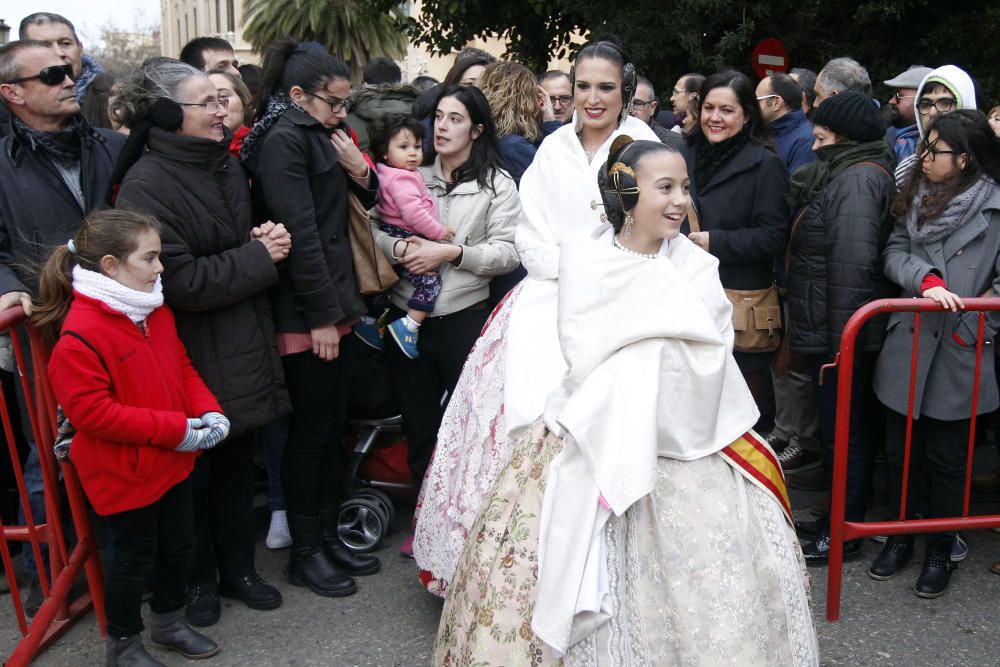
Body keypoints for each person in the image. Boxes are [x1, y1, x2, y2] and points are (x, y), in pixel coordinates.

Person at [434, 137, 819, 665]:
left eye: (685, 187)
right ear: (627, 195)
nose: (680, 201)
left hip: (688, 445)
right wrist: (652, 354)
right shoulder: (588, 261)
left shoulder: (697, 269)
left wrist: (641, 359)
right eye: (665, 188)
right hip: (593, 433)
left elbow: (711, 360)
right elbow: (582, 348)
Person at [411, 35, 658, 593]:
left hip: (625, 304)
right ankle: (511, 580)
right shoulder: (551, 149)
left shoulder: (645, 148)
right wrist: (569, 268)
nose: (593, 99)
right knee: (518, 419)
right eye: (583, 87)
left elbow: (657, 233)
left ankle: (608, 582)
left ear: (626, 90)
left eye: (606, 88)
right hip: (546, 300)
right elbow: (530, 231)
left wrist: (601, 272)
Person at [111, 58, 290, 626]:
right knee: (195, 477)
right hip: (187, 352)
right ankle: (196, 584)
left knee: (237, 465)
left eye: (221, 100)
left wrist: (258, 240)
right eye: (207, 102)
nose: (221, 111)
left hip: (237, 340)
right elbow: (180, 282)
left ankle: (240, 571)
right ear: (167, 113)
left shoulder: (225, 165)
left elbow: (227, 248)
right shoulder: (146, 182)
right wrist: (259, 256)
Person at [37, 209, 224, 666]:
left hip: (171, 461)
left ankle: (169, 621)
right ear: (110, 265)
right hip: (123, 473)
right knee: (132, 560)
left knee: (180, 545)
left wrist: (208, 409)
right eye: (150, 258)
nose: (161, 268)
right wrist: (177, 430)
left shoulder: (152, 308)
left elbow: (180, 365)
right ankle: (123, 644)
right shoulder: (80, 333)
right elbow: (93, 414)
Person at [241, 38, 383, 598]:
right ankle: (306, 550)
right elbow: (298, 236)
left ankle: (324, 537)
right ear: (298, 95)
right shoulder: (281, 140)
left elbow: (363, 203)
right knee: (309, 435)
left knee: (329, 432)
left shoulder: (322, 133)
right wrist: (322, 317)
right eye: (333, 102)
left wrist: (362, 169)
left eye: (347, 102)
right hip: (308, 309)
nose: (342, 112)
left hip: (337, 301)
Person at [0, 38, 126, 616]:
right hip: (48, 330)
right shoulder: (2, 164)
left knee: (130, 441)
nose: (66, 79)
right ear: (13, 92)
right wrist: (6, 287)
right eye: (50, 73)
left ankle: (128, 569)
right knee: (48, 453)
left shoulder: (113, 146)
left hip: (124, 323)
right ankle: (51, 574)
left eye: (69, 69)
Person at [371, 84, 521, 518]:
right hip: (405, 313)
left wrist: (453, 252)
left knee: (468, 425)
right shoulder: (411, 172)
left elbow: (509, 253)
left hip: (463, 318)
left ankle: (466, 520)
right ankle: (424, 518)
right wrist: (398, 250)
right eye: (438, 116)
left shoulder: (497, 184)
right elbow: (375, 226)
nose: (441, 127)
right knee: (418, 423)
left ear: (476, 129)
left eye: (454, 119)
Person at [869, 110, 1000, 598]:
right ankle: (901, 540)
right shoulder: (916, 196)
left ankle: (942, 549)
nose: (922, 157)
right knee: (902, 454)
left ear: (964, 158)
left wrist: (977, 319)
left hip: (963, 346)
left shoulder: (995, 208)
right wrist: (923, 279)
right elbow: (893, 252)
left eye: (934, 150)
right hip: (911, 338)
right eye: (923, 146)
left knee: (949, 460)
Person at [783, 91, 897, 563]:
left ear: (845, 137)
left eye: (822, 137)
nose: (813, 147)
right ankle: (836, 517)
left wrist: (840, 350)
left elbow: (851, 271)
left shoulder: (856, 181)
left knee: (846, 432)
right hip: (833, 332)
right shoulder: (847, 172)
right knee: (839, 432)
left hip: (842, 337)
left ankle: (843, 532)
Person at [681, 70, 791, 431]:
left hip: (740, 303)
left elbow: (773, 236)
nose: (715, 118)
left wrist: (714, 242)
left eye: (727, 110)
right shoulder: (684, 153)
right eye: (709, 107)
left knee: (743, 413)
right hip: (687, 298)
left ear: (746, 114)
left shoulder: (766, 163)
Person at [363, 113, 454, 358]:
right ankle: (409, 326)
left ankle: (369, 320)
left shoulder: (384, 171)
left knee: (388, 282)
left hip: (391, 232)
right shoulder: (403, 178)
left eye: (416, 146)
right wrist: (438, 231)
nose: (413, 153)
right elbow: (413, 213)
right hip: (405, 233)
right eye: (403, 147)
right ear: (384, 151)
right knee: (430, 280)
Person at [478, 60, 562, 185]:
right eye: (534, 96)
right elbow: (560, 175)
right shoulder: (514, 147)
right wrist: (550, 121)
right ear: (523, 102)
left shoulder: (483, 137)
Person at [894, 65, 978, 187]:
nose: (933, 112)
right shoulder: (906, 172)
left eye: (945, 103)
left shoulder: (990, 170)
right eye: (926, 104)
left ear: (965, 104)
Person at [19, 12, 102, 104]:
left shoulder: (110, 98)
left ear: (80, 49)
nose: (59, 53)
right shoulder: (11, 103)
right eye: (45, 46)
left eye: (66, 43)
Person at [757, 72, 815, 173]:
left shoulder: (806, 141)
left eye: (757, 100)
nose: (752, 105)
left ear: (776, 103)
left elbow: (797, 186)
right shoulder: (768, 131)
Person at [884, 66, 933, 163]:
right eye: (893, 95)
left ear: (922, 99)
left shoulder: (941, 143)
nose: (891, 101)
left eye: (899, 96)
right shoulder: (888, 136)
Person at [631, 75, 682, 147]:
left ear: (652, 108)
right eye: (624, 103)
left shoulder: (674, 145)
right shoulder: (610, 137)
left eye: (637, 104)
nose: (629, 110)